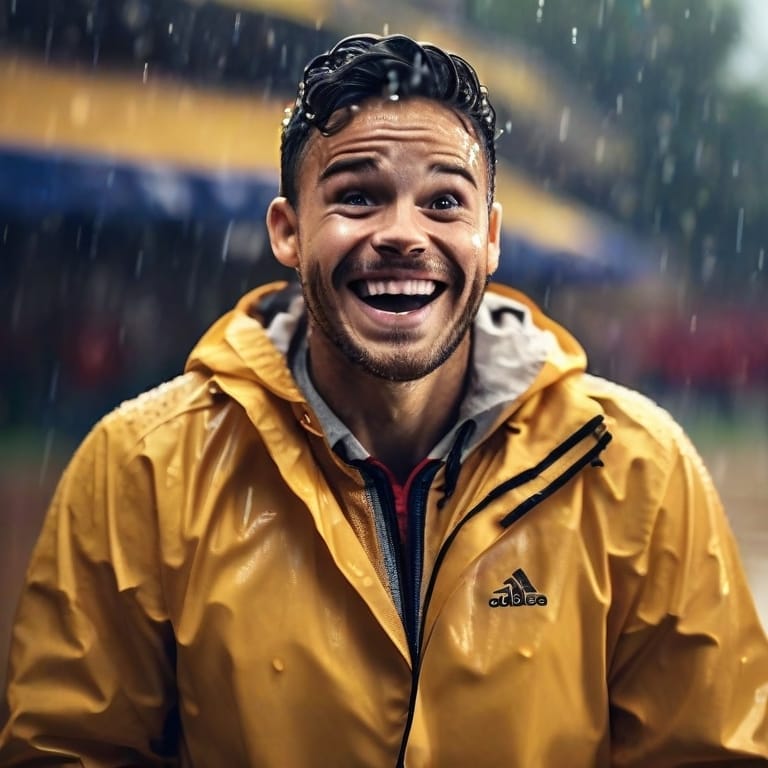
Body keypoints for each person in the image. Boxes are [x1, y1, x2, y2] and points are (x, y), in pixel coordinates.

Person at [1, 32, 767, 767]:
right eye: (359, 197)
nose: (404, 234)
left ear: (491, 237)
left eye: (443, 203)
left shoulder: (639, 469)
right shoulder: (139, 469)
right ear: (288, 231)